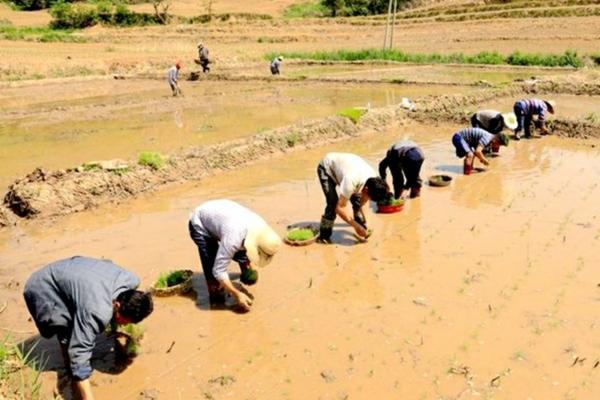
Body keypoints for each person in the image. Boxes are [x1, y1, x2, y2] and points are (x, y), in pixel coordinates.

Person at [23, 256, 153, 400]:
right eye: (124, 321)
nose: (125, 325)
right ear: (116, 305)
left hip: (72, 273)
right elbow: (79, 352)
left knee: (80, 323)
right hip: (42, 287)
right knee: (65, 332)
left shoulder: (131, 280)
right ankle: (69, 371)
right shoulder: (97, 311)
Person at [188, 199, 282, 311]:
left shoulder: (261, 229)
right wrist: (237, 294)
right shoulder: (233, 238)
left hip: (223, 219)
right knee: (213, 274)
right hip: (201, 224)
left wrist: (250, 264)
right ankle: (216, 298)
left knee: (247, 270)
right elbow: (218, 270)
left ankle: (244, 268)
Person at [317, 152, 390, 243]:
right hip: (327, 168)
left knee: (357, 201)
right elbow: (340, 208)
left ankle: (362, 228)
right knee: (332, 203)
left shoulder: (374, 180)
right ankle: (324, 236)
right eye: (370, 197)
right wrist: (354, 225)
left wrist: (367, 222)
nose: (368, 199)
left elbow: (364, 201)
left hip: (347, 169)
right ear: (366, 189)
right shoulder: (350, 181)